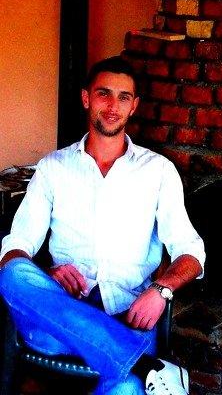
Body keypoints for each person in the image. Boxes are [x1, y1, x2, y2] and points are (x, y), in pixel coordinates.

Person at [0, 56, 205, 395]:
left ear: (134, 106)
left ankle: (129, 364)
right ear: (86, 98)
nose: (113, 106)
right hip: (58, 321)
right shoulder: (53, 167)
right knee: (12, 274)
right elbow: (15, 247)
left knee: (126, 389)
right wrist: (47, 275)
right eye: (103, 94)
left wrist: (162, 290)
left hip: (129, 315)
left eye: (123, 97)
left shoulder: (158, 171)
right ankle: (143, 365)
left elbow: (191, 253)